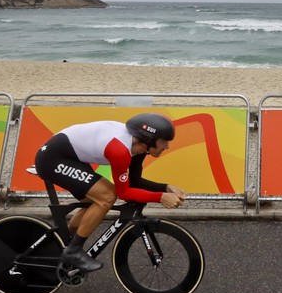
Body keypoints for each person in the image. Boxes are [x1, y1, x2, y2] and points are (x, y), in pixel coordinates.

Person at [34, 113, 186, 272]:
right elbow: (124, 192)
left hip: (70, 157)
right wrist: (160, 197)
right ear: (149, 139)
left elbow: (134, 182)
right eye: (164, 141)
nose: (167, 146)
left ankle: (66, 240)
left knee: (96, 200)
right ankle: (73, 251)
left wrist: (165, 187)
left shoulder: (138, 147)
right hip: (52, 159)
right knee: (107, 196)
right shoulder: (120, 149)